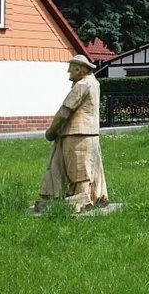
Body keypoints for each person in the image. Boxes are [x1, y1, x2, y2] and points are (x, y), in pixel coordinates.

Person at [36, 55, 108, 213]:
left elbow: (65, 111)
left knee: (79, 168)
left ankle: (81, 199)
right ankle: (82, 195)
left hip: (78, 132)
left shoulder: (82, 84)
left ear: (79, 69)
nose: (69, 74)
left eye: (71, 70)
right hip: (86, 132)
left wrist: (51, 130)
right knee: (70, 164)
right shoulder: (94, 83)